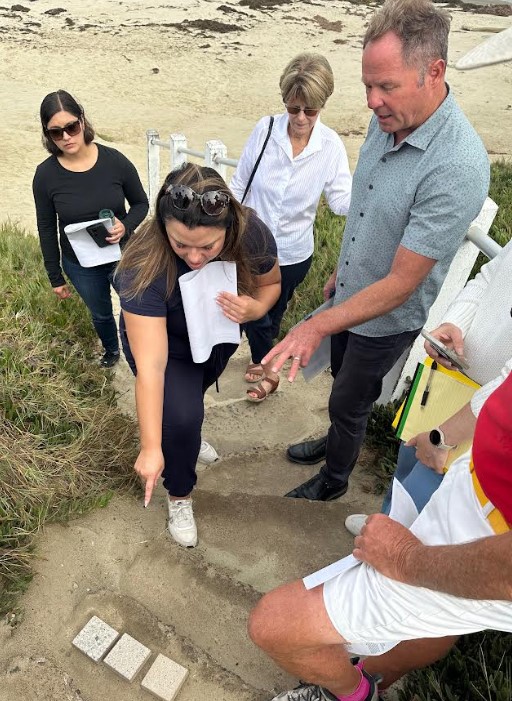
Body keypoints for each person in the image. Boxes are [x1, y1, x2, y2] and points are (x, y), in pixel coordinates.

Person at [263, 0, 490, 502]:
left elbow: (402, 284)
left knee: (351, 397)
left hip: (386, 316)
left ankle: (335, 480)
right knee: (343, 382)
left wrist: (316, 323)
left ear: (434, 72)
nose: (371, 101)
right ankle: (337, 439)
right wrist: (344, 271)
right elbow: (368, 205)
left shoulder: (457, 165)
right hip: (350, 293)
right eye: (368, 85)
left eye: (386, 86)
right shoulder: (387, 119)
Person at [248, 370, 512, 701]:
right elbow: (504, 382)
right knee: (442, 618)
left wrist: (404, 557)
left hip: (491, 553)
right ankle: (373, 675)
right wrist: (441, 437)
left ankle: (353, 693)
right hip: (475, 487)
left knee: (276, 626)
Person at [117, 164, 280, 548]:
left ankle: (187, 437)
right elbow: (152, 368)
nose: (194, 257)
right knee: (180, 417)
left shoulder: (251, 231)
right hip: (165, 345)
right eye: (180, 244)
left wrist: (254, 310)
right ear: (163, 228)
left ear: (230, 228)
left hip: (217, 333)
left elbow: (270, 283)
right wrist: (150, 447)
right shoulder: (142, 263)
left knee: (192, 402)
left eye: (208, 247)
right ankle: (179, 494)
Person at [346, 239, 512, 535]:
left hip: (484, 418)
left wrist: (442, 437)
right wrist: (454, 323)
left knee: (432, 500)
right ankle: (385, 524)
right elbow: (490, 276)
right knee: (408, 462)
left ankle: (387, 551)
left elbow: (507, 386)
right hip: (452, 381)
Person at [230, 53, 352, 402]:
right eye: (293, 108)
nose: (300, 118)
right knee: (253, 308)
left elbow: (343, 201)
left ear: (322, 105)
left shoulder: (330, 147)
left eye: (309, 110)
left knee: (271, 309)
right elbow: (239, 184)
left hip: (294, 252)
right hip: (250, 246)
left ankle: (262, 358)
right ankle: (264, 363)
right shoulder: (264, 129)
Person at [32, 89, 149, 367]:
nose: (66, 137)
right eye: (56, 132)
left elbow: (141, 203)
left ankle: (144, 356)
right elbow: (46, 228)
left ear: (82, 121)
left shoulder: (115, 161)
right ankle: (111, 351)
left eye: (71, 127)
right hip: (79, 263)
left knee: (138, 309)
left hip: (123, 255)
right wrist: (55, 277)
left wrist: (126, 225)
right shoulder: (45, 175)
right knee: (101, 314)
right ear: (47, 135)